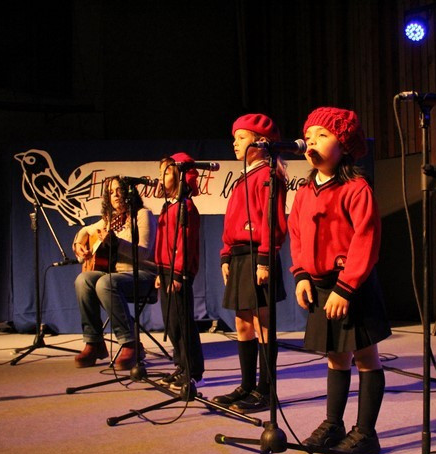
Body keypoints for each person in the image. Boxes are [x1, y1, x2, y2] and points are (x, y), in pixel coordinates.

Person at [290, 107, 390, 454]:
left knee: (365, 356)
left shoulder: (356, 188)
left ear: (344, 144)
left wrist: (346, 287)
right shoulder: (305, 192)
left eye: (322, 135)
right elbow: (297, 235)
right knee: (335, 356)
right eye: (309, 136)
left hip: (351, 285)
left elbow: (366, 238)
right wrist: (301, 274)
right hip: (319, 284)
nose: (312, 142)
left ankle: (366, 433)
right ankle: (334, 423)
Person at [211, 113, 288, 414]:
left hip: (259, 255)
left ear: (261, 142)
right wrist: (226, 254)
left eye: (241, 138)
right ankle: (247, 385)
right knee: (242, 323)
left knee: (262, 322)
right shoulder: (243, 177)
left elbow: (272, 221)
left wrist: (265, 259)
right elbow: (231, 221)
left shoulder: (268, 175)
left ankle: (266, 390)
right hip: (240, 256)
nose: (234, 143)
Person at [72, 175, 156, 370]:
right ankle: (94, 342)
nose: (115, 195)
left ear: (129, 192)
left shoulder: (142, 215)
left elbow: (144, 252)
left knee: (106, 283)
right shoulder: (109, 220)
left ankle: (130, 343)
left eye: (119, 190)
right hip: (115, 278)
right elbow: (85, 230)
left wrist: (116, 243)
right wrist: (78, 244)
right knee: (83, 280)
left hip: (143, 275)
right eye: (111, 192)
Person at [154, 153, 205, 391]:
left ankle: (192, 370)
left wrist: (177, 274)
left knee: (183, 322)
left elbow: (184, 244)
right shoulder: (169, 206)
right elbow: (163, 243)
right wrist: (159, 271)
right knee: (171, 323)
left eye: (166, 172)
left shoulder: (186, 207)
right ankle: (181, 365)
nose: (161, 177)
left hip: (178, 272)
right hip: (165, 271)